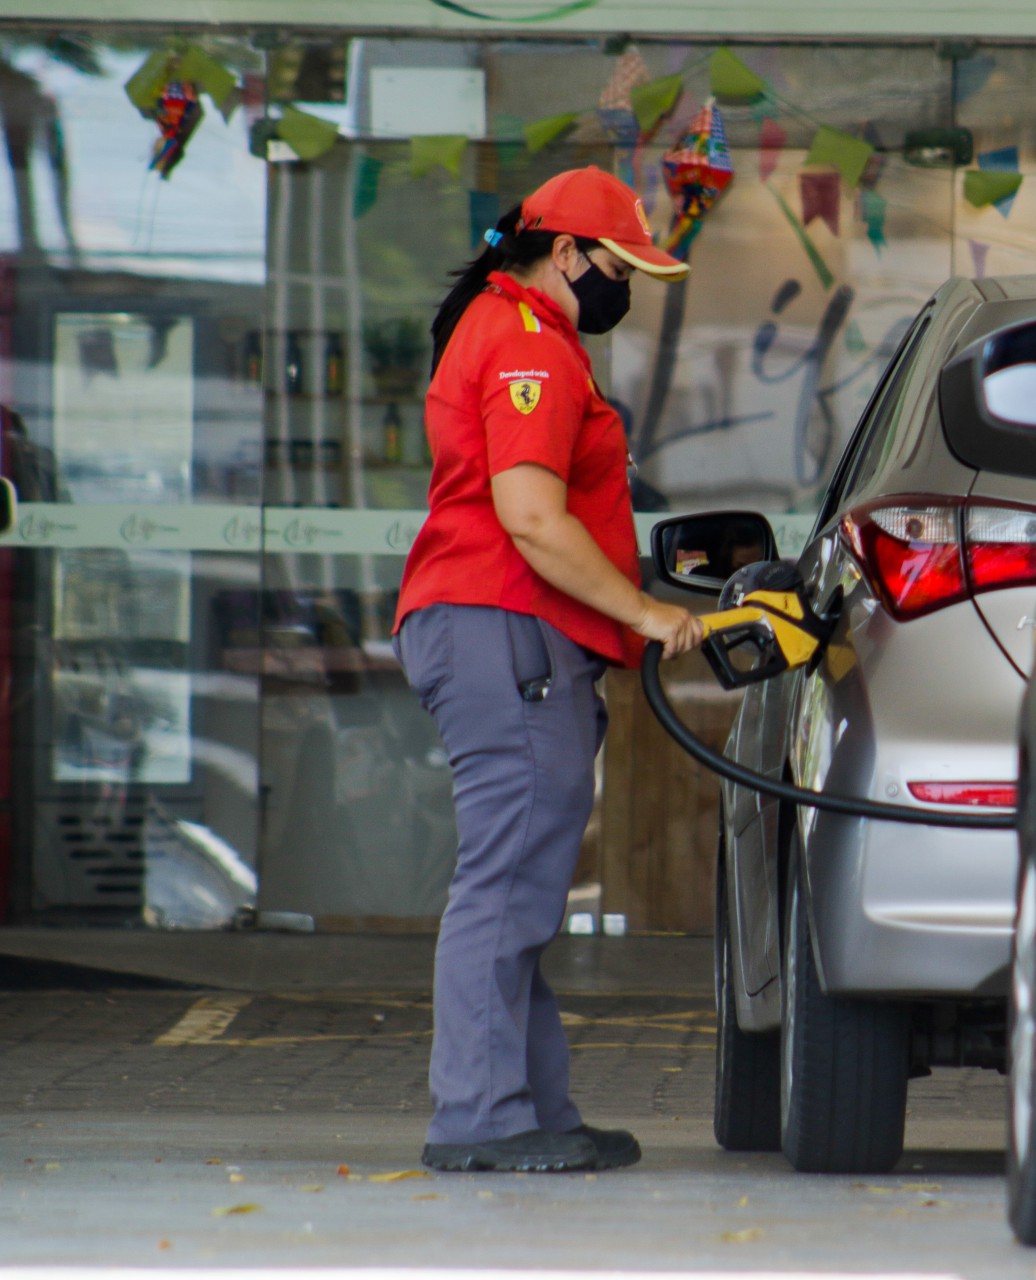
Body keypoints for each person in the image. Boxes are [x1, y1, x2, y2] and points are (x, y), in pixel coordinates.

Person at [392, 166, 706, 1174]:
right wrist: (651, 613)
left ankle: (532, 1106)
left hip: (497, 626)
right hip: (506, 623)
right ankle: (481, 1116)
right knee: (507, 880)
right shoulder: (527, 344)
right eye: (618, 268)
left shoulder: (518, 329)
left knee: (520, 874)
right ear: (566, 252)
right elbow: (530, 517)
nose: (625, 289)